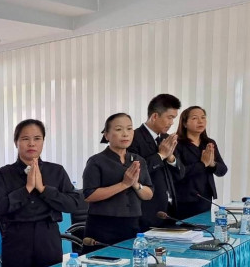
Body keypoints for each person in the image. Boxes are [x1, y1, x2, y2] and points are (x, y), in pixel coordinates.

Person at [0, 119, 83, 267]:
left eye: (37, 138)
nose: (31, 143)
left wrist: (43, 189)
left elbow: (74, 204)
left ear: (43, 142)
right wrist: (26, 189)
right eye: (25, 139)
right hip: (16, 238)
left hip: (48, 236)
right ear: (16, 142)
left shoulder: (56, 171)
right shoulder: (4, 174)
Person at [83, 113, 154, 246]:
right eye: (118, 129)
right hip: (103, 225)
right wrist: (124, 184)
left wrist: (135, 184)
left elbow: (149, 194)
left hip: (133, 223)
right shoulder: (96, 161)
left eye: (129, 129)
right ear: (106, 135)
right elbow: (89, 195)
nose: (125, 134)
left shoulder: (138, 160)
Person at [124, 94, 185, 230]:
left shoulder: (167, 139)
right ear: (155, 116)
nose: (172, 123)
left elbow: (180, 174)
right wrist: (160, 155)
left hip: (170, 211)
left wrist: (171, 159)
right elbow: (134, 173)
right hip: (146, 212)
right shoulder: (133, 138)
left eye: (174, 118)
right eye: (169, 117)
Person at [173, 106, 228, 219]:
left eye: (203, 117)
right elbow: (178, 173)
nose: (200, 121)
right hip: (184, 198)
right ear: (185, 123)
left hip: (205, 197)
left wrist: (212, 164)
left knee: (204, 228)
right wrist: (203, 164)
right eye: (195, 118)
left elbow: (222, 170)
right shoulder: (177, 143)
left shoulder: (209, 143)